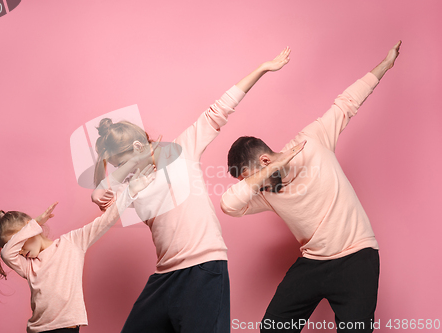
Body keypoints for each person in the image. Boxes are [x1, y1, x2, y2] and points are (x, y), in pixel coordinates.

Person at [91, 47, 303, 333]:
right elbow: (106, 198)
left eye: (122, 164)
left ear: (140, 148)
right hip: (164, 276)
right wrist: (98, 187)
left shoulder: (182, 151)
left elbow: (220, 108)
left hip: (203, 270)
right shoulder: (132, 185)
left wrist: (262, 68)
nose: (122, 172)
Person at [220, 41, 402, 332]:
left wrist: (386, 63)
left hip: (356, 257)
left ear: (264, 160)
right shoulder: (265, 193)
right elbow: (228, 205)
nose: (251, 186)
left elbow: (346, 104)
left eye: (250, 177)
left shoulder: (311, 142)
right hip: (313, 264)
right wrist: (265, 175)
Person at [0, 166, 155, 333]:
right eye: (15, 244)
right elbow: (6, 253)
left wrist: (130, 192)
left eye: (20, 243)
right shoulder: (29, 266)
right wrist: (34, 224)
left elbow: (105, 221)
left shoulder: (72, 243)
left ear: (30, 231)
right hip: (38, 330)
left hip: (67, 329)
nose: (20, 251)